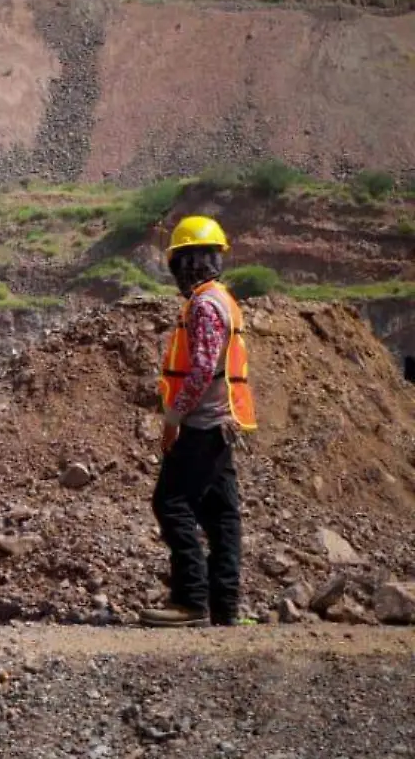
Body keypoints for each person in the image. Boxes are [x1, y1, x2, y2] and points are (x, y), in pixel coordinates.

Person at [141, 215, 257, 628]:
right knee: (221, 515)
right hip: (221, 422)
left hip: (201, 424)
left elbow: (204, 367)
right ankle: (224, 607)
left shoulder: (206, 305)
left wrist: (174, 417)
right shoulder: (223, 298)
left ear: (186, 263)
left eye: (181, 262)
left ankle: (190, 601)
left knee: (170, 504)